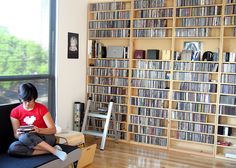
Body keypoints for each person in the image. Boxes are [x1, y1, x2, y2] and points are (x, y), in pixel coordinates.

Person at [8, 83, 67, 161]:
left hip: (45, 137)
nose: (27, 104)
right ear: (20, 98)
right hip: (28, 140)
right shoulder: (15, 112)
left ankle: (53, 151)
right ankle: (52, 150)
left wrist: (38, 130)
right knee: (13, 148)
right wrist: (19, 134)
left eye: (30, 101)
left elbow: (53, 130)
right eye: (24, 101)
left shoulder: (42, 108)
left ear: (34, 98)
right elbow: (16, 135)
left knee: (25, 137)